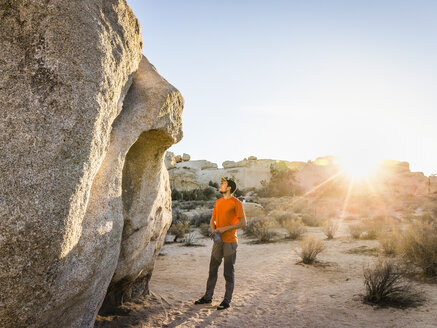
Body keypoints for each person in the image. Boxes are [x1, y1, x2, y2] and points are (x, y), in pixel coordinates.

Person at [194, 177, 247, 310]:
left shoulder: (237, 203)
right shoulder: (218, 202)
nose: (221, 185)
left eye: (223, 184)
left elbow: (243, 222)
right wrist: (214, 231)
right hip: (218, 241)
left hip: (230, 242)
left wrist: (224, 229)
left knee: (228, 273)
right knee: (212, 270)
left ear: (229, 188)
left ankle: (226, 301)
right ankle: (207, 297)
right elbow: (213, 219)